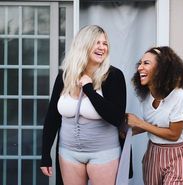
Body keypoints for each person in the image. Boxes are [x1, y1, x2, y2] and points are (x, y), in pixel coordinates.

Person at [40, 25, 127, 185]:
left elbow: (116, 117)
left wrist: (89, 89)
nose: (102, 47)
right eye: (97, 43)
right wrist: (45, 154)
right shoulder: (64, 76)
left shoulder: (114, 76)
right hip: (68, 153)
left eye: (105, 43)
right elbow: (52, 117)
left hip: (103, 153)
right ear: (83, 45)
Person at [127, 46, 183, 185]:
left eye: (146, 63)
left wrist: (140, 123)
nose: (139, 67)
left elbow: (174, 134)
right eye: (140, 63)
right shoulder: (145, 97)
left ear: (161, 69)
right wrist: (126, 131)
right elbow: (153, 125)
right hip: (154, 152)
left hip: (177, 154)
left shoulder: (179, 96)